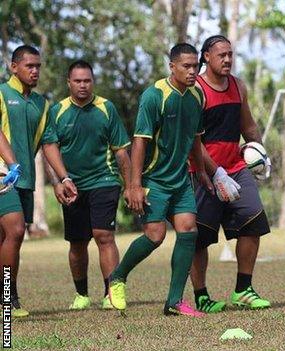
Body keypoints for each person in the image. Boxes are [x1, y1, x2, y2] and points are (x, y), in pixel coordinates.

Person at [107, 43, 219, 317]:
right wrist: (133, 185)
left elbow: (195, 138)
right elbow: (140, 142)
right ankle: (117, 277)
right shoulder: (154, 96)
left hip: (181, 179)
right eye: (187, 66)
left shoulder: (197, 96)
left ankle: (174, 302)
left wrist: (202, 171)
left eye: (196, 66)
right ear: (172, 66)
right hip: (154, 179)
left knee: (188, 230)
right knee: (155, 236)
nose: (193, 71)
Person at [188, 34, 272, 313]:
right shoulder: (196, 90)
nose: (227, 59)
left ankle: (243, 289)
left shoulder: (238, 86)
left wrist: (260, 153)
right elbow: (193, 141)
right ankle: (201, 295)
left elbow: (247, 126)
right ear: (206, 57)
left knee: (253, 222)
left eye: (230, 54)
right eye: (221, 55)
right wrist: (216, 174)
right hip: (202, 172)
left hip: (236, 168)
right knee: (199, 237)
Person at [47, 60, 131, 310]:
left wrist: (130, 186)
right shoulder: (57, 111)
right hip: (72, 185)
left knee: (104, 236)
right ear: (69, 83)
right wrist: (58, 182)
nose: (83, 85)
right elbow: (50, 149)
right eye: (78, 81)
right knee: (77, 242)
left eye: (87, 81)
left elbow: (121, 152)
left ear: (93, 82)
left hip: (104, 180)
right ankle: (82, 294)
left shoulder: (106, 108)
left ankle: (111, 293)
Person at [0, 45, 77, 317]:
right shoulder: (1, 92)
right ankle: (8, 300)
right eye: (29, 65)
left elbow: (49, 144)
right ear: (13, 67)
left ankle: (8, 297)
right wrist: (11, 164)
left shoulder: (42, 104)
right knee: (16, 230)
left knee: (10, 239)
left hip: (24, 180)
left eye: (38, 66)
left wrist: (62, 177)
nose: (34, 71)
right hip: (2, 176)